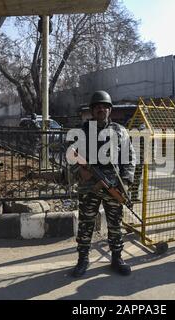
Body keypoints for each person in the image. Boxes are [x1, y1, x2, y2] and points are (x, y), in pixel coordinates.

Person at [71, 90, 136, 277]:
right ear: (92, 110)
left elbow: (130, 158)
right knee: (86, 224)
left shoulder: (120, 131)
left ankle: (117, 258)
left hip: (113, 186)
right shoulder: (82, 132)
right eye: (97, 106)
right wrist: (79, 171)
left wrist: (125, 181)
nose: (101, 109)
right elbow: (69, 156)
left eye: (105, 106)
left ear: (110, 110)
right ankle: (83, 259)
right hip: (88, 188)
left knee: (115, 224)